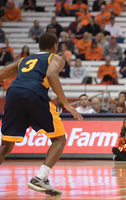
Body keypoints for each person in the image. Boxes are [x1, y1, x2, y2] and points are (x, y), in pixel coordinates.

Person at [0, 32, 83, 196]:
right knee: (59, 139)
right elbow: (51, 74)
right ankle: (40, 178)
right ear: (55, 47)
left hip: (13, 94)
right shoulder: (55, 58)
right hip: (35, 94)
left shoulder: (24, 60)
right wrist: (66, 103)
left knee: (6, 144)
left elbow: (1, 74)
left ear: (38, 47)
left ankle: (41, 179)